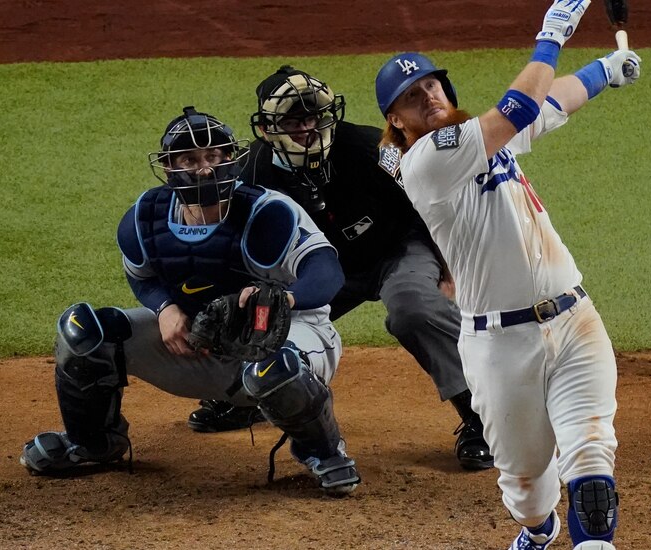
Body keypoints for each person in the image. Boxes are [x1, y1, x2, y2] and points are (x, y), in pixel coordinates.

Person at [373, 0, 642, 547]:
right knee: (527, 491)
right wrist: (552, 34)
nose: (428, 96)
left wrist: (605, 71)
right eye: (411, 96)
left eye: (431, 85)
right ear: (395, 121)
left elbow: (548, 103)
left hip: (573, 320)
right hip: (499, 346)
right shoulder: (425, 162)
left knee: (591, 457)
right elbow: (519, 108)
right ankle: (539, 532)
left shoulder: (483, 137)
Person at [19, 106, 361, 496]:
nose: (204, 169)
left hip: (287, 337)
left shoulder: (267, 213)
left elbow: (327, 271)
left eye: (213, 156)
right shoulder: (145, 219)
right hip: (199, 349)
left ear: (230, 158)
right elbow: (142, 277)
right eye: (190, 159)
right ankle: (91, 443)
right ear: (169, 167)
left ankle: (325, 453)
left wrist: (281, 299)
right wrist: (164, 309)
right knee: (82, 332)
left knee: (275, 368)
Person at [185, 65, 494, 471]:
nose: (307, 129)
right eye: (293, 121)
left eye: (313, 117)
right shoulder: (254, 173)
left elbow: (432, 202)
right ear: (266, 129)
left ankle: (482, 415)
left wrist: (449, 267)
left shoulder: (371, 147)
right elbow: (236, 247)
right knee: (261, 307)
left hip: (396, 249)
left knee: (414, 306)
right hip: (323, 270)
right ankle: (250, 395)